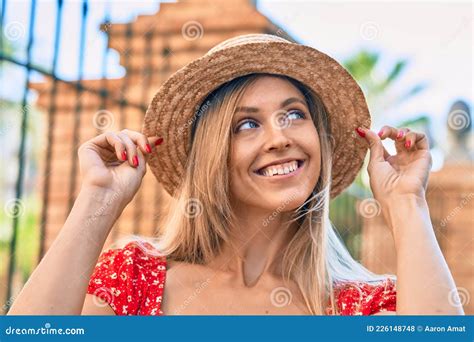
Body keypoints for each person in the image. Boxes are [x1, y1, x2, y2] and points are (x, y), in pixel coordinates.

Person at [8, 34, 464, 316]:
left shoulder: (366, 306)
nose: (278, 137)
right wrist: (98, 201)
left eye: (294, 114)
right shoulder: (138, 279)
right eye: (246, 124)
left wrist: (408, 204)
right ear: (212, 157)